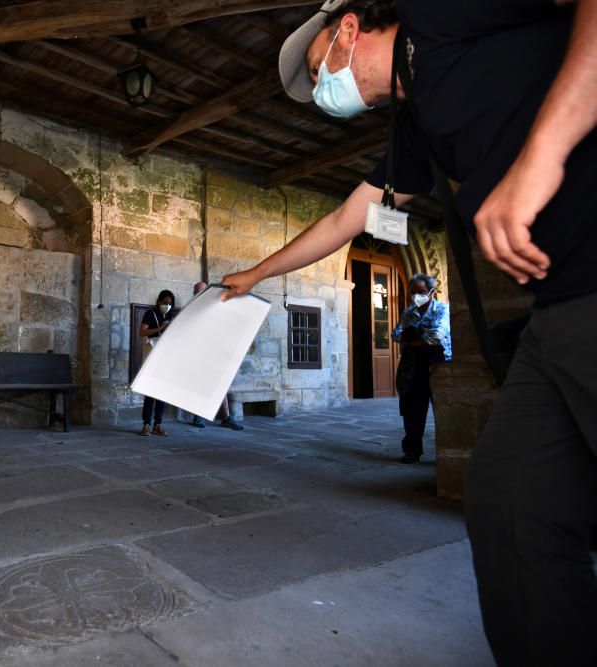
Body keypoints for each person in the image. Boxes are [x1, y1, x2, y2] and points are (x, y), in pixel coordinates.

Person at [219, 1, 597, 663]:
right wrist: (254, 274)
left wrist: (542, 156)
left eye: (317, 71)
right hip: (558, 307)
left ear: (347, 29)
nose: (320, 93)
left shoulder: (442, 14)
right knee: (507, 500)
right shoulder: (415, 123)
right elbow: (345, 220)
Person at [391, 273, 451, 464]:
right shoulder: (408, 312)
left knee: (443, 411)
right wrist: (417, 337)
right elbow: (395, 334)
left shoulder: (442, 309)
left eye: (422, 292)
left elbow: (437, 335)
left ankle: (447, 452)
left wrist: (413, 338)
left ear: (432, 292)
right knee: (412, 410)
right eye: (414, 292)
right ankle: (412, 450)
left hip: (438, 364)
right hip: (414, 366)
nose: (417, 296)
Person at [190, 281, 245, 430]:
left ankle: (226, 417)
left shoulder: (215, 306)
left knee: (221, 383)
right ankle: (199, 416)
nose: (202, 293)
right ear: (195, 293)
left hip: (216, 350)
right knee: (201, 384)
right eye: (199, 291)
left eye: (204, 290)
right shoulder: (191, 308)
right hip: (200, 352)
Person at [138, 290, 176, 436]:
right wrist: (161, 328)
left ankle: (158, 424)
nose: (167, 305)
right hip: (151, 356)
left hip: (165, 356)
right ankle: (146, 424)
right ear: (159, 301)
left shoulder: (171, 316)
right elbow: (141, 332)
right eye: (165, 302)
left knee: (161, 392)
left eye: (170, 303)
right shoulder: (150, 314)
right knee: (149, 391)